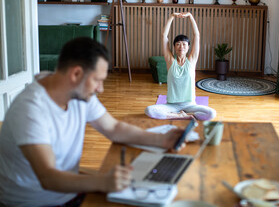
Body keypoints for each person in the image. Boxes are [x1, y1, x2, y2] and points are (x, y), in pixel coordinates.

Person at [0, 37, 184, 207]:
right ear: (76, 74)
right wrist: (102, 182)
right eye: (98, 80)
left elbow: (113, 127)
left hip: (70, 191)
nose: (101, 89)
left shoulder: (78, 93)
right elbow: (48, 178)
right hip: (34, 202)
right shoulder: (30, 110)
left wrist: (161, 139)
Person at [145, 12, 216, 120]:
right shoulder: (170, 61)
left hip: (190, 105)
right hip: (171, 105)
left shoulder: (192, 60)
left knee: (212, 113)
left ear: (188, 47)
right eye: (178, 44)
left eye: (184, 44)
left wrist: (190, 16)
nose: (181, 46)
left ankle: (181, 115)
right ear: (174, 47)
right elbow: (164, 36)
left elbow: (197, 35)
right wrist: (172, 16)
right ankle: (180, 116)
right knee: (149, 110)